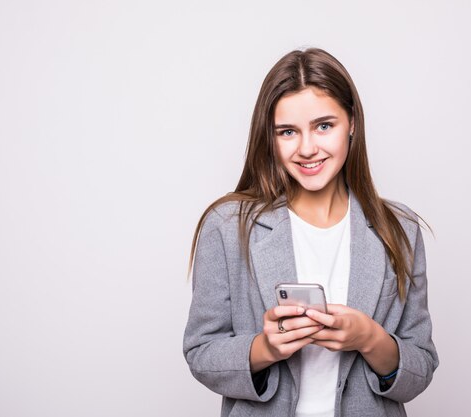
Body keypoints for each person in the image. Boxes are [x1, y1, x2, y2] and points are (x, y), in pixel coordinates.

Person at [183, 48, 439, 417]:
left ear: (352, 123)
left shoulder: (400, 230)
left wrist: (369, 338)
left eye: (324, 126)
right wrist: (266, 348)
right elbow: (201, 352)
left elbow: (421, 367)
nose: (307, 149)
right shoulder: (227, 226)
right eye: (288, 132)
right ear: (269, 138)